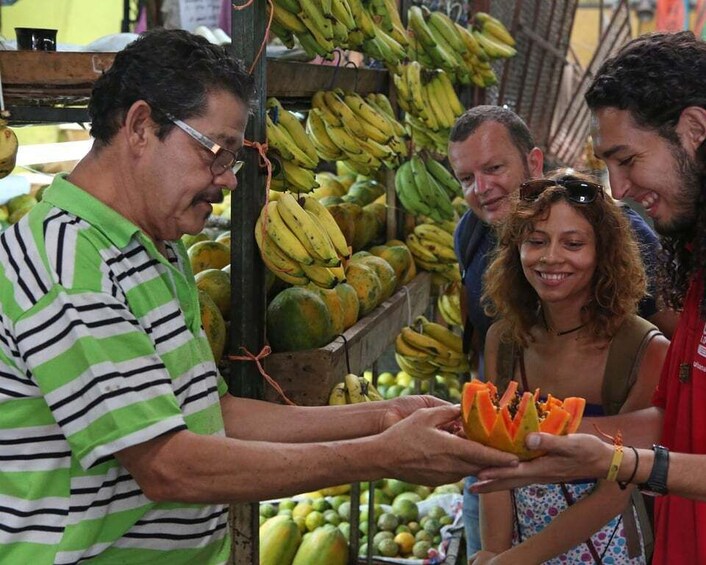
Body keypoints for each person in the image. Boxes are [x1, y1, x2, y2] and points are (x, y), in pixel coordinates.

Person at [0, 29, 518, 563]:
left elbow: (212, 412)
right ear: (139, 127)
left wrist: (386, 415)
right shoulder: (67, 263)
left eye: (232, 158)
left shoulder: (156, 246)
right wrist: (381, 455)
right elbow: (166, 465)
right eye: (215, 153)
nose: (227, 180)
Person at [472, 31, 706, 565]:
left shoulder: (642, 342)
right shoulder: (694, 272)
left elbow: (650, 449)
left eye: (627, 159)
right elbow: (672, 420)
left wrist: (625, 464)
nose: (619, 189)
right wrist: (529, 435)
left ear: (695, 130)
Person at [446, 105, 677, 557]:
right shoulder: (476, 250)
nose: (481, 187)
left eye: (494, 168)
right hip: (510, 518)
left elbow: (617, 487)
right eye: (466, 177)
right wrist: (495, 552)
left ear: (532, 162)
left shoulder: (642, 348)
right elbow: (493, 457)